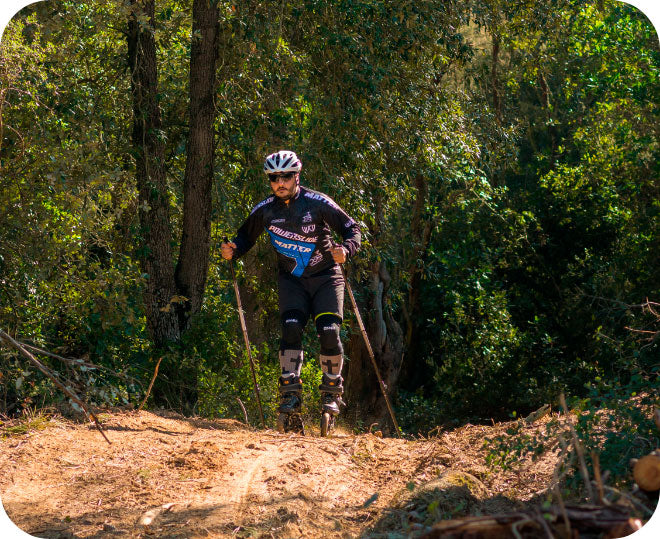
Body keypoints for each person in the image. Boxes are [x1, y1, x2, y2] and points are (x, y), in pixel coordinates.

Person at [221, 150, 361, 433]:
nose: (280, 182)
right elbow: (243, 237)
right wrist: (231, 250)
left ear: (297, 176)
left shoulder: (318, 203)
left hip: (326, 278)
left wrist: (345, 250)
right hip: (292, 280)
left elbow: (352, 229)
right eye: (274, 177)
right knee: (291, 329)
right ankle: (290, 396)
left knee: (329, 332)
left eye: (285, 176)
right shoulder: (264, 210)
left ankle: (332, 395)